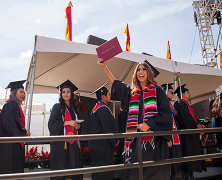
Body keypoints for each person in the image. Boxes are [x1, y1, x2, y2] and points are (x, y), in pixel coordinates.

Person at [97, 58, 173, 180]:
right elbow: (116, 83)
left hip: (154, 143)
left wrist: (149, 124)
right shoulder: (131, 93)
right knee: (135, 173)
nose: (141, 71)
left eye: (144, 69)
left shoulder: (157, 91)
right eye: (138, 69)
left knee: (154, 173)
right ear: (136, 74)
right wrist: (104, 67)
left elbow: (166, 114)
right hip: (135, 143)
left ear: (148, 72)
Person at [48, 79, 82, 180]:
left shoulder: (74, 109)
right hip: (61, 145)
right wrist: (67, 123)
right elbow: (51, 125)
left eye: (68, 92)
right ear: (61, 94)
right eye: (63, 92)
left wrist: (78, 126)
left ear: (71, 94)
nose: (66, 94)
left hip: (73, 145)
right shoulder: (57, 107)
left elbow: (78, 124)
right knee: (62, 170)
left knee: (72, 170)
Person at [174, 84, 206, 180]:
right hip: (186, 136)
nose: (190, 94)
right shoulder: (179, 104)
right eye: (188, 92)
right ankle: (188, 176)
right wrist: (196, 127)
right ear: (182, 94)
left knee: (192, 156)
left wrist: (199, 125)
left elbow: (193, 118)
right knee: (188, 157)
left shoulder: (185, 104)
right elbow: (185, 119)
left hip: (192, 134)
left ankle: (191, 176)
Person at [89, 83, 119, 180]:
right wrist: (116, 141)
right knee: (105, 172)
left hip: (95, 145)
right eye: (109, 94)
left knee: (97, 171)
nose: (110, 96)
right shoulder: (103, 109)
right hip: (103, 146)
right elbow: (109, 127)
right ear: (103, 96)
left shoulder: (94, 109)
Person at [0, 80, 30, 174]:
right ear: (14, 92)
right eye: (21, 92)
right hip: (10, 145)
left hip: (14, 143)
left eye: (24, 92)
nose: (23, 94)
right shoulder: (11, 104)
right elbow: (10, 124)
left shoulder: (16, 106)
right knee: (11, 170)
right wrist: (24, 132)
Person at [161, 83, 182, 180]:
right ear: (165, 92)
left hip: (174, 136)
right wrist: (167, 137)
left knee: (174, 160)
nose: (173, 94)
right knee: (169, 162)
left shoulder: (169, 103)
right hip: (168, 137)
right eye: (171, 92)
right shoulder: (162, 103)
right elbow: (163, 121)